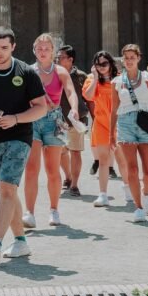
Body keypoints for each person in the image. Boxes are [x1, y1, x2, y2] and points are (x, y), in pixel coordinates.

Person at [0, 27, 48, 263]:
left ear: (13, 47)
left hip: (20, 138)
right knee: (8, 192)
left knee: (6, 190)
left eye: (4, 48)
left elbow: (41, 107)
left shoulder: (25, 72)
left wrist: (15, 118)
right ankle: (21, 242)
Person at [22, 34, 80, 228]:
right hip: (33, 119)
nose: (43, 52)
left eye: (46, 48)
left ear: (53, 51)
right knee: (31, 168)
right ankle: (29, 213)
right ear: (34, 50)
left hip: (54, 121)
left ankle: (54, 210)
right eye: (39, 49)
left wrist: (73, 108)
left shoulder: (61, 71)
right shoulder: (27, 72)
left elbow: (71, 91)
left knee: (52, 169)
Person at [112, 44, 148, 221]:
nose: (128, 61)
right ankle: (138, 207)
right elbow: (114, 110)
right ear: (122, 60)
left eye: (132, 58)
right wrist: (111, 134)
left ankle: (145, 193)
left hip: (146, 123)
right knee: (132, 169)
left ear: (138, 58)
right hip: (125, 124)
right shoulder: (118, 82)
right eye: (126, 58)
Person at [82, 51, 120, 207]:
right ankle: (103, 194)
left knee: (123, 160)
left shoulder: (119, 79)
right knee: (104, 160)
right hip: (102, 123)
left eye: (104, 64)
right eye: (98, 65)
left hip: (120, 122)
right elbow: (89, 96)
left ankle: (128, 191)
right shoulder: (92, 80)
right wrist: (96, 77)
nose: (102, 67)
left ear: (110, 64)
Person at [57, 45, 90, 197]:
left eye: (61, 57)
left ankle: (75, 185)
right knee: (61, 153)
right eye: (57, 56)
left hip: (77, 120)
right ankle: (68, 177)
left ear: (70, 60)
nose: (58, 59)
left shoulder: (81, 76)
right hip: (58, 121)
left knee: (76, 152)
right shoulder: (54, 74)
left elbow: (89, 99)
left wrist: (93, 118)